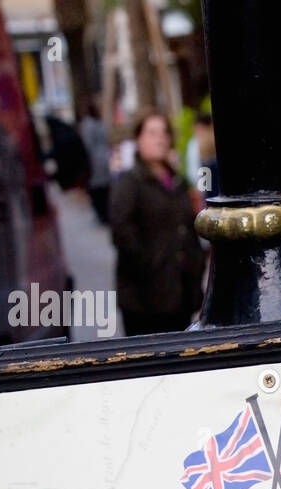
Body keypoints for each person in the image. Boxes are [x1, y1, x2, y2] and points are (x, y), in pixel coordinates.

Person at [109, 112, 206, 336]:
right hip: (145, 300)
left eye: (164, 133)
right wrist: (150, 266)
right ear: (138, 140)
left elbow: (188, 229)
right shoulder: (130, 183)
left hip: (180, 295)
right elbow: (122, 233)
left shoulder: (178, 182)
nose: (160, 139)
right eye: (152, 133)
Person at [78, 103, 112, 224]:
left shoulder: (87, 124)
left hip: (94, 160)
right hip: (106, 158)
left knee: (97, 189)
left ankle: (102, 215)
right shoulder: (101, 123)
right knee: (106, 188)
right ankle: (107, 213)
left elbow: (87, 144)